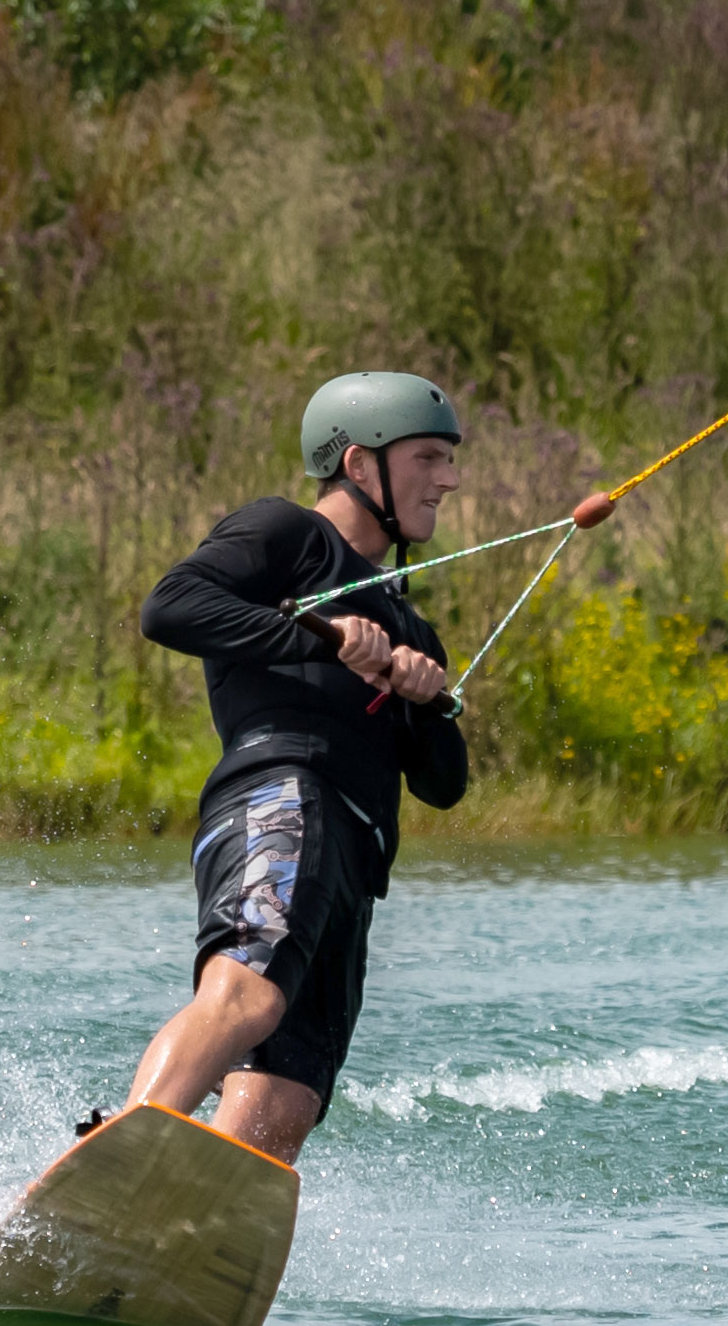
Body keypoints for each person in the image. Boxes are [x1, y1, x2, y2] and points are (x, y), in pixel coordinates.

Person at [117, 372, 471, 1160]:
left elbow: (444, 785)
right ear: (358, 465)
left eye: (449, 460)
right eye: (428, 457)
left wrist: (425, 695)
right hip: (283, 798)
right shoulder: (288, 536)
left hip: (354, 861)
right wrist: (327, 636)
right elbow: (170, 606)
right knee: (245, 992)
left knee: (287, 1092)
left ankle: (180, 1228)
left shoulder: (412, 626)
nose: (448, 478)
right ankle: (128, 1149)